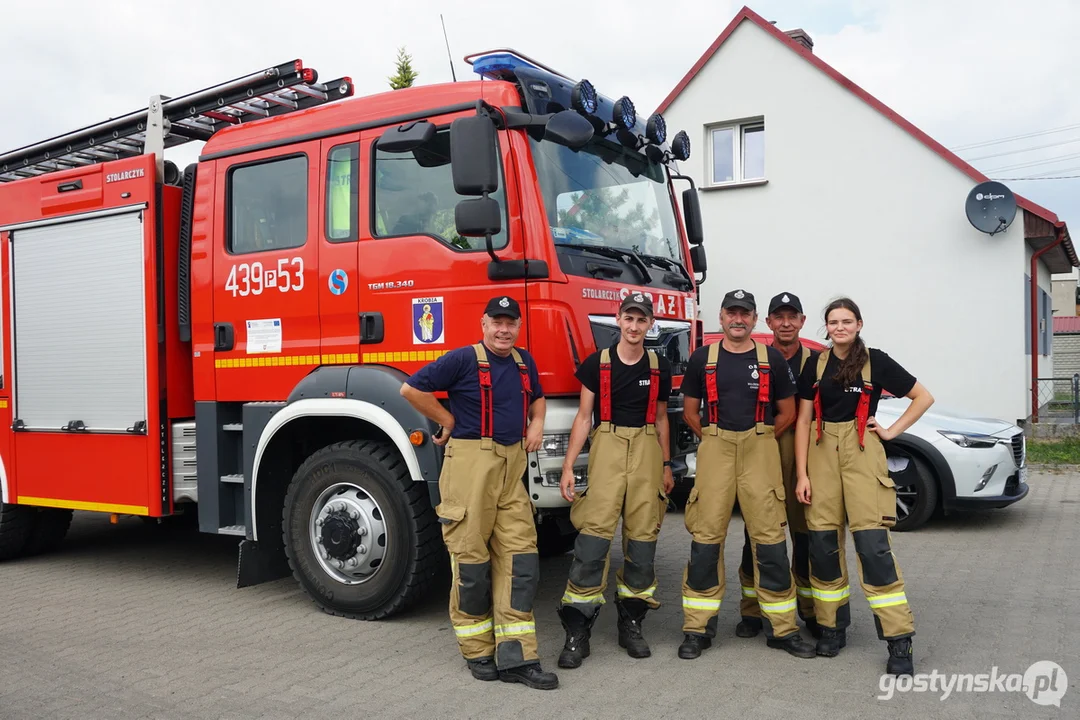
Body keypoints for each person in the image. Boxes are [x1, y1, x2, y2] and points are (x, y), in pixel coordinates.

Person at [399, 295, 559, 691]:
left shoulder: (524, 362)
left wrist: (537, 423)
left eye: (511, 323)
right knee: (471, 562)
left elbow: (536, 396)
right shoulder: (462, 359)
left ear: (518, 327)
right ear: (483, 323)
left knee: (521, 560)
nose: (504, 330)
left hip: (512, 466)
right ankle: (477, 651)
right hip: (471, 463)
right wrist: (448, 419)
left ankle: (518, 657)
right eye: (497, 322)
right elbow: (411, 390)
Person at [793, 297, 934, 677]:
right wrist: (802, 474)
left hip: (861, 453)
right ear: (826, 327)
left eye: (846, 321)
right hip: (821, 456)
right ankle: (831, 628)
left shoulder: (878, 360)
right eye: (833, 322)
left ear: (859, 324)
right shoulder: (815, 363)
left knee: (873, 549)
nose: (839, 327)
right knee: (823, 546)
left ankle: (898, 640)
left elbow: (923, 397)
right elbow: (804, 421)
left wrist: (890, 431)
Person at [677, 289, 817, 660]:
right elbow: (690, 411)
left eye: (745, 314)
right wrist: (713, 437)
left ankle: (782, 629)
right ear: (721, 317)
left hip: (760, 446)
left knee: (769, 538)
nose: (738, 320)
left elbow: (787, 412)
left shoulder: (770, 358)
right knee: (706, 538)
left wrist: (763, 438)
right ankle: (697, 628)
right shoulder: (700, 358)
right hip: (717, 445)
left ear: (755, 320)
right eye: (731, 313)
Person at [555, 292, 674, 668]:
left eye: (642, 320)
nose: (635, 326)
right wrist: (569, 465)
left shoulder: (660, 366)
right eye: (629, 318)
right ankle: (577, 632)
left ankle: (632, 623)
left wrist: (667, 465)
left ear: (650, 324)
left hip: (646, 450)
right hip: (606, 445)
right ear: (618, 320)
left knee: (642, 544)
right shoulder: (597, 364)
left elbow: (660, 419)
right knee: (592, 540)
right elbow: (582, 417)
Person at [736, 292, 820, 639]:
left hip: (804, 457)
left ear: (802, 321)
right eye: (778, 317)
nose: (786, 323)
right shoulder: (755, 358)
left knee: (805, 535)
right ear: (767, 322)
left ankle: (810, 609)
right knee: (756, 533)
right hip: (760, 452)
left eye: (792, 316)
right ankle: (752, 610)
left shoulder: (817, 362)